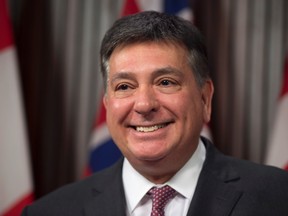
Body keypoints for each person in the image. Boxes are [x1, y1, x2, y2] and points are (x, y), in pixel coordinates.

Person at [22, 11, 288, 216]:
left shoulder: (278, 196)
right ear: (107, 104)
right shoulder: (50, 212)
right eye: (124, 86)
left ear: (205, 98)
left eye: (165, 82)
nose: (144, 104)